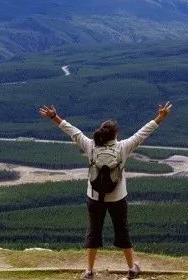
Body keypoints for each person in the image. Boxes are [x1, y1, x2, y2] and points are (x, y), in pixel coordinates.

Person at [38, 101, 173, 279]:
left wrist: (54, 117)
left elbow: (72, 131)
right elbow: (142, 133)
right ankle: (132, 268)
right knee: (122, 231)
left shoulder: (91, 146)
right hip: (118, 197)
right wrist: (160, 118)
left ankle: (89, 271)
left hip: (94, 198)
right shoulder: (123, 147)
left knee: (93, 232)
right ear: (115, 135)